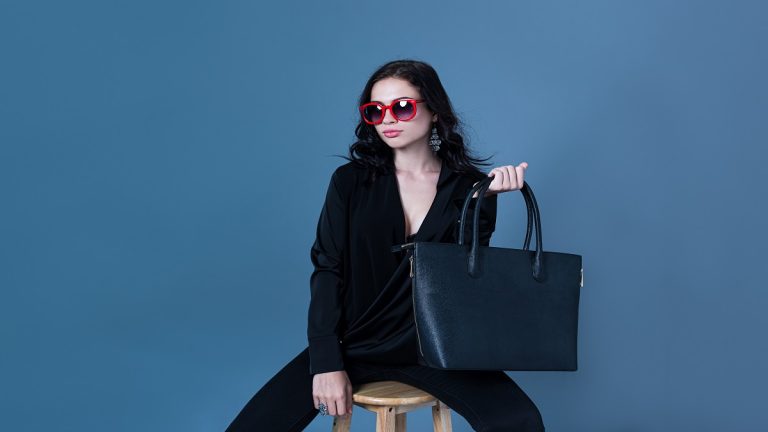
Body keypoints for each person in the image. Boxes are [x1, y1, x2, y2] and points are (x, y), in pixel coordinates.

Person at [225, 59, 543, 432]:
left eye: (402, 107)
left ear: (435, 111)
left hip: (435, 349)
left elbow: (464, 281)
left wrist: (480, 201)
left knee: (520, 421)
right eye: (375, 110)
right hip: (355, 344)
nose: (388, 119)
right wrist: (326, 362)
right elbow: (328, 269)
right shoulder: (350, 181)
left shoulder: (470, 187)